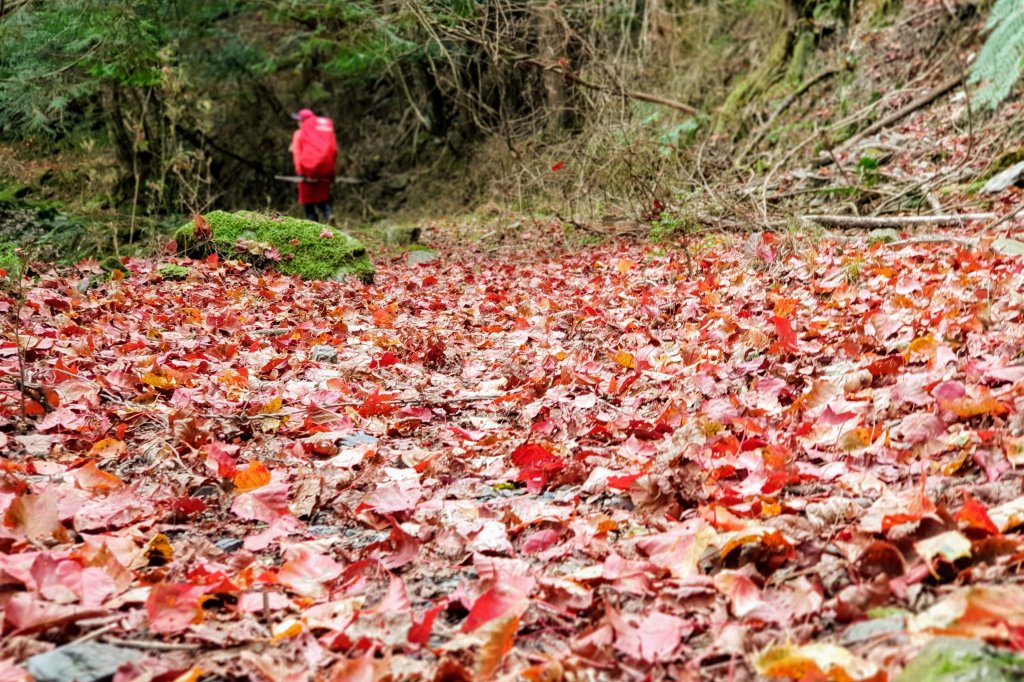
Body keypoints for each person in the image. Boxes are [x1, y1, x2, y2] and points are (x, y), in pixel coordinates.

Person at [290, 108, 338, 223]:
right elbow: (334, 150)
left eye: (299, 120)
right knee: (322, 199)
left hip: (307, 172)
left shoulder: (299, 134)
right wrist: (331, 173)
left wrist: (300, 172)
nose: (298, 123)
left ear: (303, 122)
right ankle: (328, 215)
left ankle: (312, 223)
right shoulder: (323, 134)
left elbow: (297, 154)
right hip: (325, 172)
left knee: (308, 202)